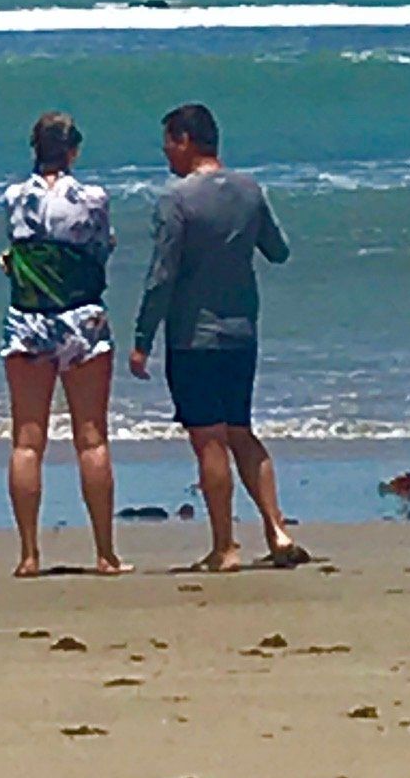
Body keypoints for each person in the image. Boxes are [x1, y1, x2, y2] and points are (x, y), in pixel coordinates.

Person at [128, 102, 309, 572]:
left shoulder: (177, 199)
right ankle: (277, 530)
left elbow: (161, 276)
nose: (166, 152)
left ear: (186, 141)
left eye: (169, 141)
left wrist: (143, 337)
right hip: (242, 330)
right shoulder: (250, 191)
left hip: (194, 336)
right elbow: (279, 250)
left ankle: (225, 546)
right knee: (242, 432)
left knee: (208, 439)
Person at [0, 111, 127, 578]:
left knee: (27, 440)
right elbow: (100, 248)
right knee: (91, 437)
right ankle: (105, 553)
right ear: (73, 150)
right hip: (81, 320)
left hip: (28, 322)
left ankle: (30, 555)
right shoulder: (93, 198)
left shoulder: (14, 196)